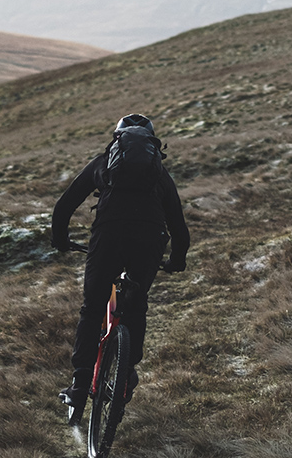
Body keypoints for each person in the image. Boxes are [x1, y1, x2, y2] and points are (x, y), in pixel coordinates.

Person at [51, 113, 190, 420]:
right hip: (149, 241)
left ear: (117, 140)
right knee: (136, 306)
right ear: (152, 145)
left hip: (108, 237)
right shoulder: (160, 175)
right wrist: (176, 261)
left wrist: (61, 239)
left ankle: (79, 381)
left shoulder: (102, 164)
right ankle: (125, 376)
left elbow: (64, 206)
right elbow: (179, 229)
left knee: (93, 308)